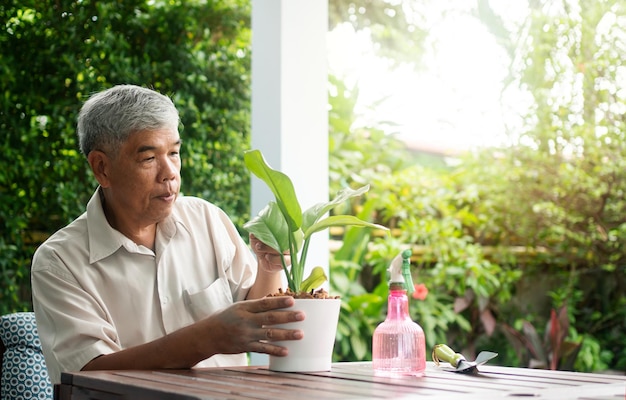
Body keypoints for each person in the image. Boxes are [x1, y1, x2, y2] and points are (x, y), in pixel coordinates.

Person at [31, 84, 304, 385]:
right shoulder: (59, 262)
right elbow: (87, 374)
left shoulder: (205, 219)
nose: (169, 172)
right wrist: (209, 337)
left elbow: (259, 315)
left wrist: (269, 266)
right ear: (102, 167)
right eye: (149, 158)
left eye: (174, 152)